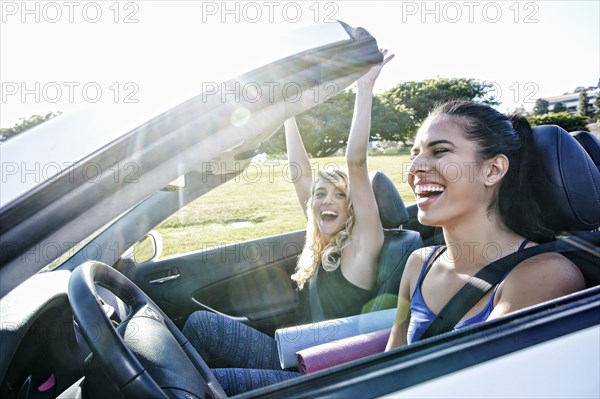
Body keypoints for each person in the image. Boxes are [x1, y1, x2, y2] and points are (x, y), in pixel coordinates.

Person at [182, 50, 394, 395]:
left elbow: (356, 162)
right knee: (200, 325)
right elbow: (301, 175)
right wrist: (288, 114)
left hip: (319, 374)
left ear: (353, 207)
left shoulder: (363, 245)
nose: (326, 200)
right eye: (320, 194)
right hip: (293, 353)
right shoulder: (321, 242)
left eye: (340, 195)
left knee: (205, 384)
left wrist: (365, 87)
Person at [385, 100, 586, 349]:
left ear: (492, 170)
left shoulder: (544, 275)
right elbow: (392, 363)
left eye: (439, 151)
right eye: (414, 155)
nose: (414, 168)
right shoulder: (419, 263)